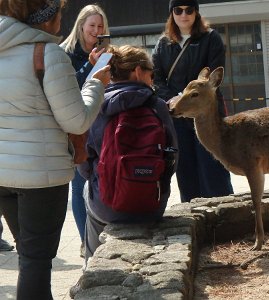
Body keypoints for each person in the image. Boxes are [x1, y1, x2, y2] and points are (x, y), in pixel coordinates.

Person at [0, 0, 110, 299]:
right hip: (41, 175)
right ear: (47, 17)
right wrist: (95, 85)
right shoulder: (48, 54)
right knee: (35, 261)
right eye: (60, 11)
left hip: (3, 174)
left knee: (28, 256)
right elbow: (76, 120)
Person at [78, 45, 178, 262]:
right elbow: (172, 157)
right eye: (151, 73)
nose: (153, 79)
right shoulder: (157, 105)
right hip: (151, 205)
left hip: (108, 207)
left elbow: (84, 163)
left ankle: (91, 264)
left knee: (88, 188)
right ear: (138, 72)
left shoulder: (97, 104)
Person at [152, 0, 233, 202]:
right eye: (178, 10)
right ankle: (193, 220)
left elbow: (214, 77)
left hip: (208, 115)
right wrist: (174, 98)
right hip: (177, 115)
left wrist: (185, 96)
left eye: (189, 10)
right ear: (172, 13)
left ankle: (224, 215)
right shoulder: (163, 44)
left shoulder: (211, 38)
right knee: (185, 170)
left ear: (196, 12)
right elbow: (156, 78)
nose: (184, 14)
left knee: (213, 168)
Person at [60, 4, 110, 258]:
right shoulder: (64, 54)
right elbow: (67, 91)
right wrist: (89, 68)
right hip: (77, 128)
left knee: (101, 182)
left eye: (100, 26)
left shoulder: (106, 53)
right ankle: (84, 241)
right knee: (80, 185)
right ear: (81, 26)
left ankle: (100, 237)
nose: (96, 31)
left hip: (101, 125)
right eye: (92, 25)